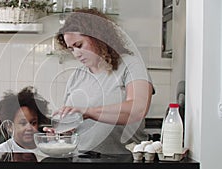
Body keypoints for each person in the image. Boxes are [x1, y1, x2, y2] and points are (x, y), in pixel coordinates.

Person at [44, 9, 155, 154]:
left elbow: (137, 109)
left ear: (98, 37)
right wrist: (61, 134)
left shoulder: (131, 65)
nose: (76, 54)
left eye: (79, 45)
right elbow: (74, 128)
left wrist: (88, 112)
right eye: (71, 49)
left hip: (123, 160)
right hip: (81, 159)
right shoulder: (77, 77)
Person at [0, 86, 50, 152]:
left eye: (33, 123)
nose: (29, 128)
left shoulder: (46, 149)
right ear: (9, 126)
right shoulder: (3, 150)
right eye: (23, 123)